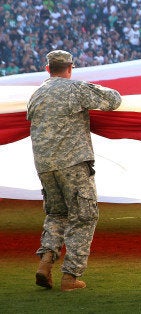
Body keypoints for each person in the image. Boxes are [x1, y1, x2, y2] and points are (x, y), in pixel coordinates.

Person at [27, 50, 122, 291]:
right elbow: (113, 100)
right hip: (73, 165)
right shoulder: (76, 89)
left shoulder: (36, 95)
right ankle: (70, 276)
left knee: (57, 215)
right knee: (84, 216)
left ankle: (46, 261)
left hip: (45, 166)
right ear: (70, 67)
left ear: (48, 69)